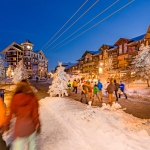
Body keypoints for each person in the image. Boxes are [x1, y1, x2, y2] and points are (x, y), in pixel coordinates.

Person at [6, 80, 41, 150]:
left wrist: (7, 125)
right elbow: (35, 115)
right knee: (31, 143)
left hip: (20, 127)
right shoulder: (32, 98)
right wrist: (39, 124)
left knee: (18, 146)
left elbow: (10, 114)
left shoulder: (15, 99)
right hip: (31, 126)